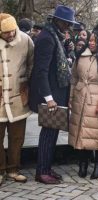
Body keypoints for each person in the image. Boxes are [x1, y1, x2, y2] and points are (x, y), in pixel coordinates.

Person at [29, 5, 78, 184]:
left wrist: (67, 49)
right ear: (58, 20)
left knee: (53, 133)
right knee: (48, 134)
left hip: (57, 94)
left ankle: (46, 168)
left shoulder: (55, 36)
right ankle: (41, 172)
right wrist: (49, 99)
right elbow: (41, 72)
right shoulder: (47, 38)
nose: (69, 27)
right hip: (51, 97)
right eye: (67, 23)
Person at [68, 28, 98, 179]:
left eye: (95, 40)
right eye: (91, 40)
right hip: (80, 99)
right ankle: (83, 165)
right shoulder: (81, 56)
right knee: (81, 134)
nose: (92, 43)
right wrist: (71, 97)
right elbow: (74, 78)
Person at [0, 13, 34, 185]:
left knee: (17, 137)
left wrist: (24, 82)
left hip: (17, 97)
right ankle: (0, 171)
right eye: (6, 33)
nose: (11, 35)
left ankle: (13, 169)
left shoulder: (25, 40)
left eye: (13, 31)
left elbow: (31, 63)